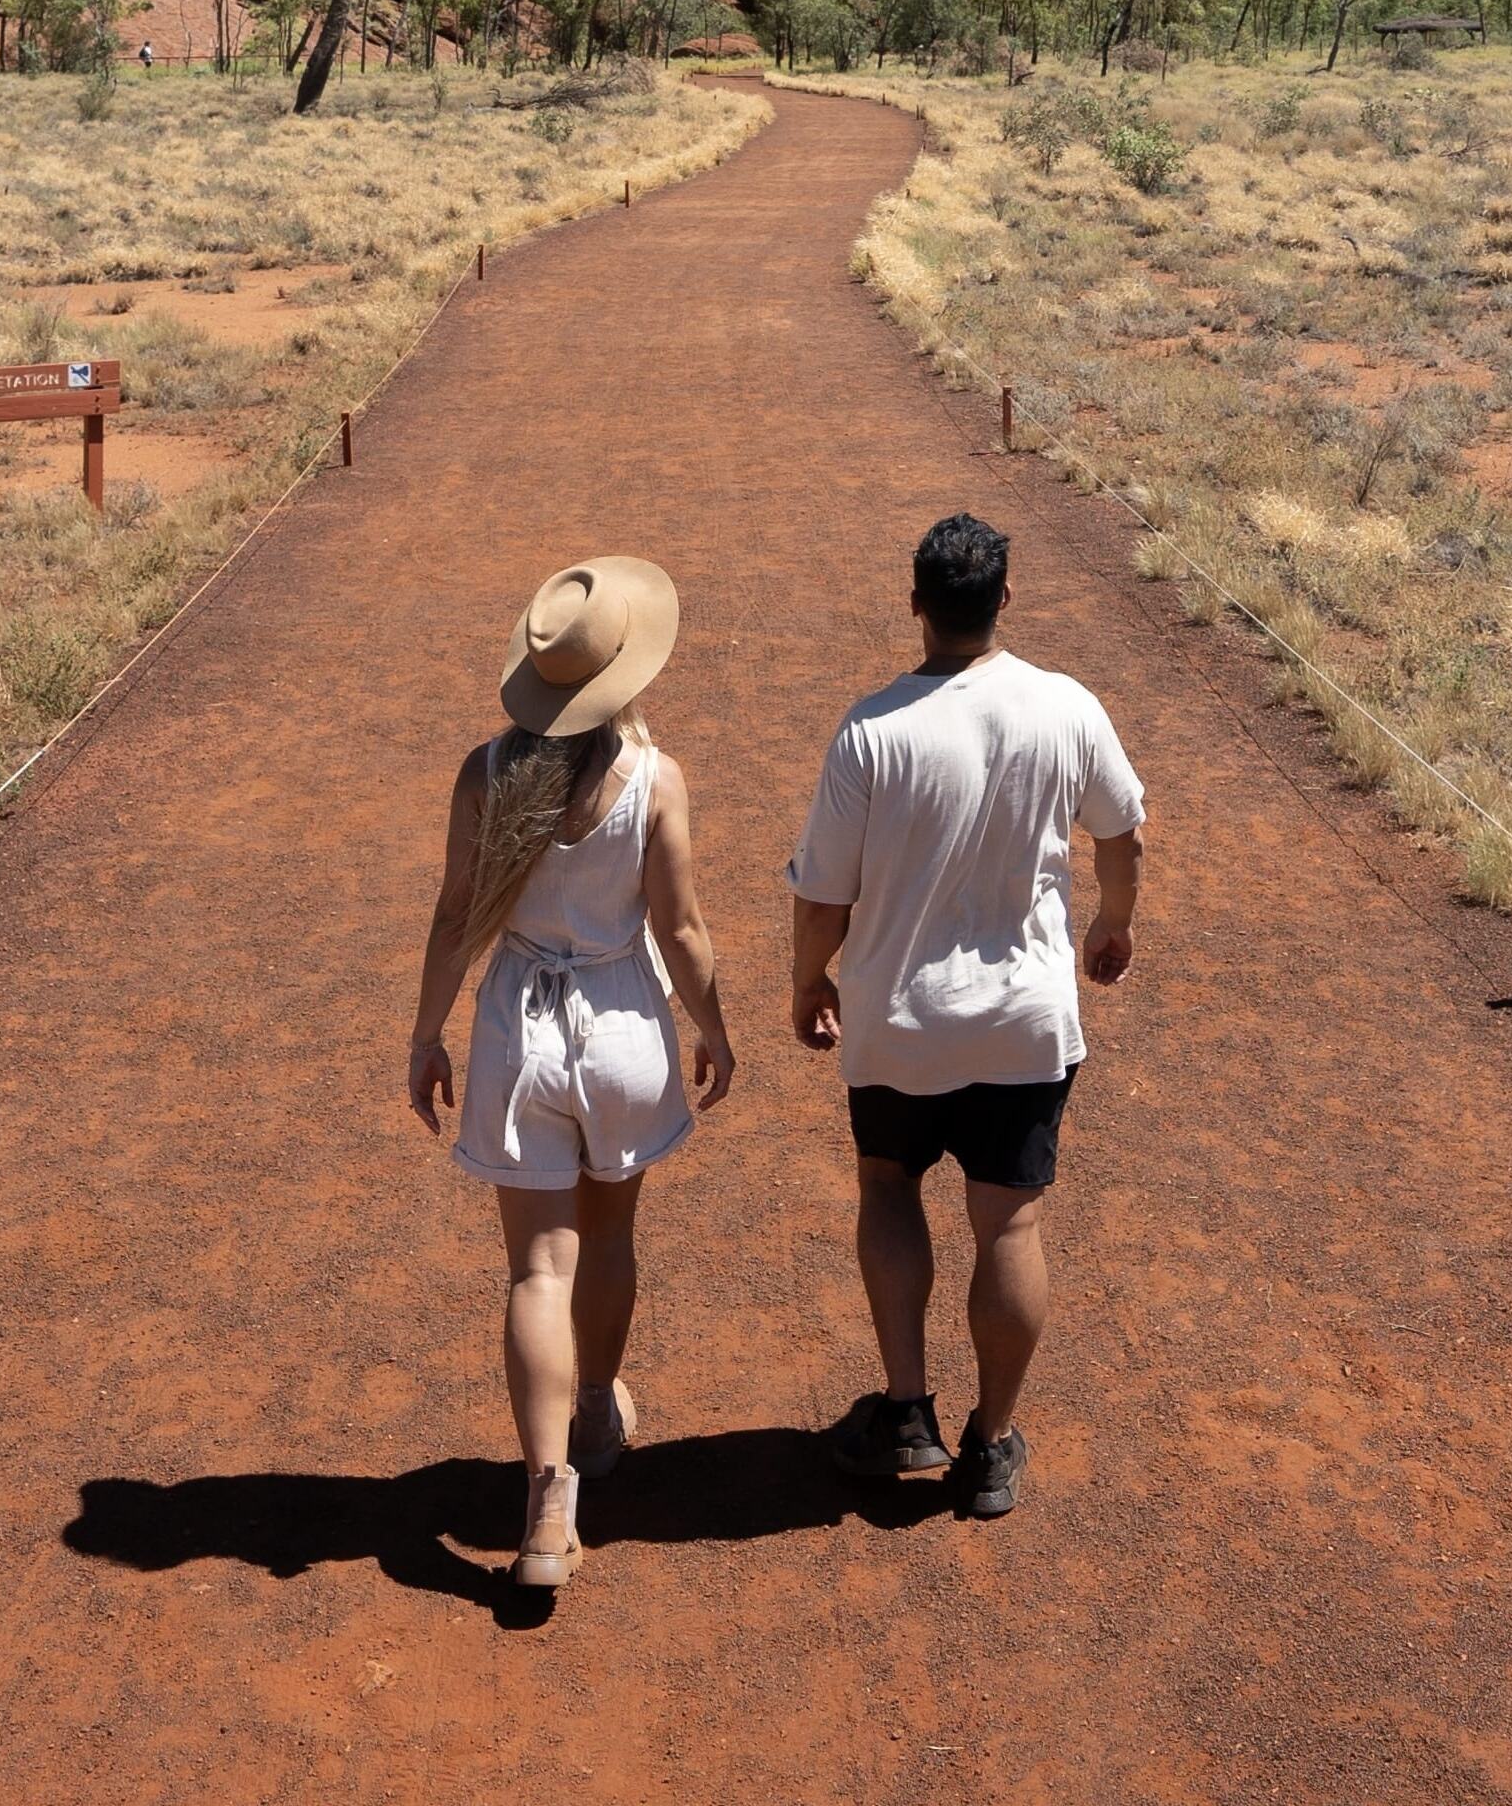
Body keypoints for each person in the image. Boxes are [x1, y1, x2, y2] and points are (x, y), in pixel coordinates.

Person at [787, 511, 1147, 1523]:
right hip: (1024, 1023)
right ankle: (990, 1443)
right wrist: (1113, 926)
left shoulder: (870, 730)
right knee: (1011, 1219)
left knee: (888, 1186)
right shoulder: (1064, 706)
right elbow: (1123, 832)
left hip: (896, 1022)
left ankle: (906, 1410)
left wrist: (808, 981)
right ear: (1003, 602)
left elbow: (822, 897)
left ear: (916, 605)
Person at [407, 553, 734, 1594]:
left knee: (536, 1269)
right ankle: (597, 1411)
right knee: (613, 1234)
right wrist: (716, 1027)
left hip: (519, 1032)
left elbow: (456, 918)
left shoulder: (486, 773)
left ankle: (549, 1498)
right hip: (625, 1026)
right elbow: (679, 931)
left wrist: (425, 1033)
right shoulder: (656, 779)